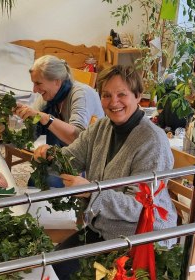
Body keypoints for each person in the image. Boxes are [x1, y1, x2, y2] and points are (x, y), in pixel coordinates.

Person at [33, 65, 177, 279]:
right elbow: (72, 159)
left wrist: (92, 192)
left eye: (122, 95)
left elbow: (141, 208)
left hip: (140, 240)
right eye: (106, 95)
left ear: (138, 96)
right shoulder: (101, 127)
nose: (113, 102)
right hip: (104, 229)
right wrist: (50, 157)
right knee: (52, 266)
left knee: (61, 272)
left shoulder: (152, 142)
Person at [14, 55, 104, 147]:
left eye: (38, 83)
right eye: (33, 83)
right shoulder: (48, 97)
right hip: (69, 150)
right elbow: (32, 126)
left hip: (93, 152)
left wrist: (45, 118)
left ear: (57, 82)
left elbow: (77, 138)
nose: (34, 90)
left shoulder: (82, 93)